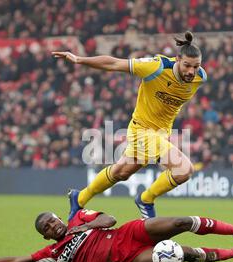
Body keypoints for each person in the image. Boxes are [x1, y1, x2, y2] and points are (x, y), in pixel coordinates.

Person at [52, 31, 207, 219]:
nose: (191, 71)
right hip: (142, 130)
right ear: (177, 60)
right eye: (187, 65)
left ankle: (79, 198)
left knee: (121, 172)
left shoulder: (200, 77)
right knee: (184, 169)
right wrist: (79, 60)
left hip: (161, 133)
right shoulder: (156, 67)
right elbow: (114, 63)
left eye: (196, 66)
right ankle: (146, 199)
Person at [0, 207, 233, 262]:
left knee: (181, 221)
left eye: (52, 221)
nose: (52, 227)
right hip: (127, 259)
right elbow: (15, 260)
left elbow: (110, 219)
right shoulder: (52, 252)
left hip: (128, 232)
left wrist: (82, 227)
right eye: (46, 228)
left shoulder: (80, 218)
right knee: (182, 254)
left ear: (60, 218)